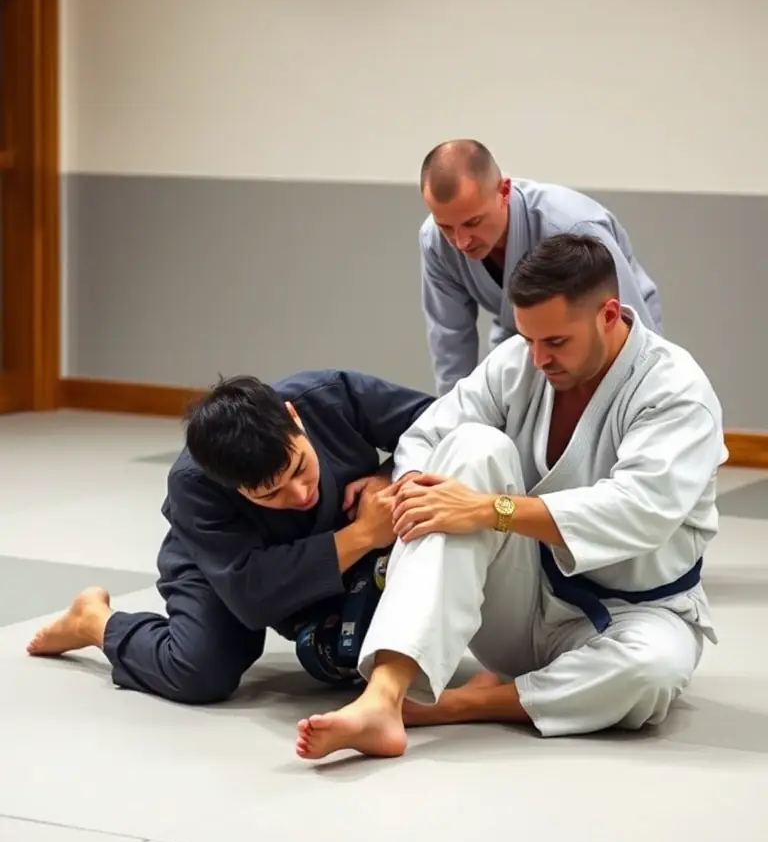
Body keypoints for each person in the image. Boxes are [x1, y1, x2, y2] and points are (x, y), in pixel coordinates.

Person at [295, 232, 726, 761]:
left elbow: (640, 510)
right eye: (528, 340)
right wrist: (416, 491)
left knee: (652, 672)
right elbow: (425, 437)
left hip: (637, 615)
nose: (539, 359)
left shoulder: (675, 391)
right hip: (519, 599)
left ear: (609, 314)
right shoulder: (519, 362)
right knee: (471, 447)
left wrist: (487, 509)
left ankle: (460, 704)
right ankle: (383, 695)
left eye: (557, 343)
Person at [27, 369, 434, 704]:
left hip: (335, 540)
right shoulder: (193, 485)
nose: (299, 494)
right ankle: (93, 621)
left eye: (298, 469)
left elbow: (439, 421)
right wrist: (363, 533)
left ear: (293, 418)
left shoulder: (330, 396)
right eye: (269, 493)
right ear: (231, 486)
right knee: (200, 671)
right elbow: (250, 594)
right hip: (221, 563)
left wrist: (388, 478)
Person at [418, 138, 662, 395]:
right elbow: (450, 341)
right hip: (519, 338)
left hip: (600, 340)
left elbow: (631, 330)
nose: (461, 241)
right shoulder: (435, 243)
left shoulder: (574, 228)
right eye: (446, 226)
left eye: (473, 222)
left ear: (504, 191)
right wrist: (454, 421)